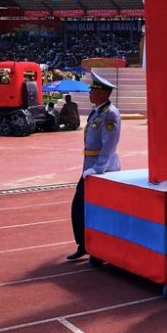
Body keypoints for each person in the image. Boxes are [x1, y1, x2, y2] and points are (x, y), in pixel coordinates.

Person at [67, 72, 121, 262]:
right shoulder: (97, 112)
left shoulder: (110, 114)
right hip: (90, 168)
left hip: (103, 170)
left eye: (93, 90)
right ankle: (85, 244)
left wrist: (98, 168)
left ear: (103, 93)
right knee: (81, 208)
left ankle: (98, 250)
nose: (90, 93)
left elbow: (109, 144)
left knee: (97, 210)